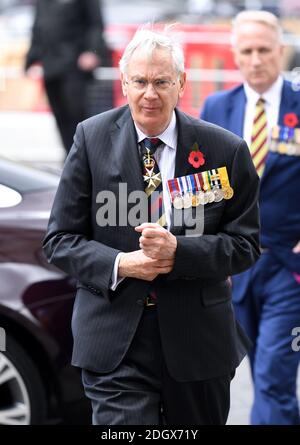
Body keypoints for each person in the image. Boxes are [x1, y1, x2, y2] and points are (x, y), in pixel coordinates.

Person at [43, 26, 260, 425]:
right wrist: (123, 264)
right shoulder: (91, 139)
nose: (150, 93)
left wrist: (180, 252)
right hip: (114, 341)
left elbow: (245, 245)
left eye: (161, 82)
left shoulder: (224, 150)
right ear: (123, 83)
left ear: (181, 83)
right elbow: (60, 240)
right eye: (140, 81)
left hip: (197, 343)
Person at [200, 10, 300, 425]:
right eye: (247, 51)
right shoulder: (216, 107)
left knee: (274, 374)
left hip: (288, 267)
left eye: (264, 50)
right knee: (262, 373)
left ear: (281, 50)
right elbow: (199, 183)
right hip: (235, 265)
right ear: (235, 56)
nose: (256, 59)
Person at [25, 0, 110, 154]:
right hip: (50, 65)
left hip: (74, 66)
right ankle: (70, 158)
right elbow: (38, 27)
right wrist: (31, 60)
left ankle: (85, 159)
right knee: (60, 116)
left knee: (78, 117)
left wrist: (92, 51)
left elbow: (95, 24)